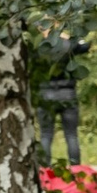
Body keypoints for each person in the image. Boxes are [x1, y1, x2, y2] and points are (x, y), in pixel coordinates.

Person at [38, 32, 88, 166]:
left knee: (45, 135)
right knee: (71, 135)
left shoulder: (38, 45)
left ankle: (44, 172)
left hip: (46, 94)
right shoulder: (68, 44)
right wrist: (68, 37)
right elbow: (86, 46)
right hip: (68, 93)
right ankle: (76, 170)